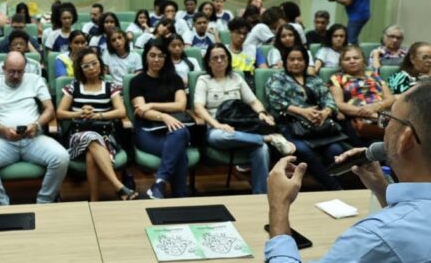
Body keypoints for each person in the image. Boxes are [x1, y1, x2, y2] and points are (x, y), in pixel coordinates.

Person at [265, 82, 431, 263]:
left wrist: (279, 207)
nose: (383, 127)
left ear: (406, 139)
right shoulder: (395, 233)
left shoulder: (382, 237)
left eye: (388, 119)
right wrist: (382, 189)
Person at [194, 43, 295, 194]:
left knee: (261, 149)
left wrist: (262, 113)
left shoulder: (236, 78)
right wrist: (217, 125)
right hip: (217, 129)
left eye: (223, 57)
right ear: (209, 62)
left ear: (228, 59)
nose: (220, 61)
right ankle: (269, 138)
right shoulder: (204, 80)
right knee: (220, 137)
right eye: (215, 58)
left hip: (242, 127)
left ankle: (260, 195)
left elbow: (253, 101)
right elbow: (198, 107)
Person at [0, 52, 69, 205]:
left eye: (20, 71)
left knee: (61, 157)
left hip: (33, 138)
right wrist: (3, 130)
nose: (16, 75)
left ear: (25, 69)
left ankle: (44, 202)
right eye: (11, 71)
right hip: (3, 141)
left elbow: (49, 109)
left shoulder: (35, 80)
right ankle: (1, 205)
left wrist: (36, 125)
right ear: (3, 68)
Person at [56, 48, 137, 201]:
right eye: (86, 66)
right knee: (91, 138)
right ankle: (119, 186)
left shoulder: (110, 87)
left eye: (94, 63)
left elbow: (121, 112)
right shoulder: (73, 87)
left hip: (105, 136)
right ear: (80, 69)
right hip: (78, 136)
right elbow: (60, 113)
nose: (91, 68)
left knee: (91, 156)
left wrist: (99, 115)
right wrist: (79, 113)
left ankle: (94, 201)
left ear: (100, 64)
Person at [265, 46, 344, 190]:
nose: (296, 62)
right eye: (292, 59)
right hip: (291, 126)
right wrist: (303, 112)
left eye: (300, 59)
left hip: (318, 126)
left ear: (306, 61)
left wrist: (324, 113)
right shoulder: (277, 78)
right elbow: (275, 102)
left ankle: (332, 186)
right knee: (304, 150)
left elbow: (329, 100)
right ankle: (335, 189)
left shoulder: (314, 80)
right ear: (285, 61)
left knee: (335, 150)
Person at [130, 39, 193, 199]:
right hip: (147, 131)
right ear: (146, 57)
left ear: (166, 58)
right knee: (179, 152)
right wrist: (164, 116)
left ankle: (159, 181)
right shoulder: (137, 81)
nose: (156, 60)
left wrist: (151, 104)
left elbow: (180, 106)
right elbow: (141, 111)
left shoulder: (175, 79)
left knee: (179, 133)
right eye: (152, 55)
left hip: (174, 130)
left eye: (160, 56)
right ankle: (181, 196)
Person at [329, 45, 395, 146]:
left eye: (356, 58)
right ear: (341, 63)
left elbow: (390, 98)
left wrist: (376, 107)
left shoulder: (374, 76)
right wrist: (367, 112)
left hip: (381, 113)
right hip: (357, 117)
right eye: (347, 59)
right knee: (377, 144)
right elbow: (339, 104)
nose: (352, 61)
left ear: (363, 60)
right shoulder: (337, 78)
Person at [226, 17, 262, 88]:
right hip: (231, 84)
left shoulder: (253, 49)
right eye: (238, 32)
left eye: (244, 33)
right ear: (230, 32)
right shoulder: (223, 51)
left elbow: (263, 68)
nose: (242, 36)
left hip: (251, 84)